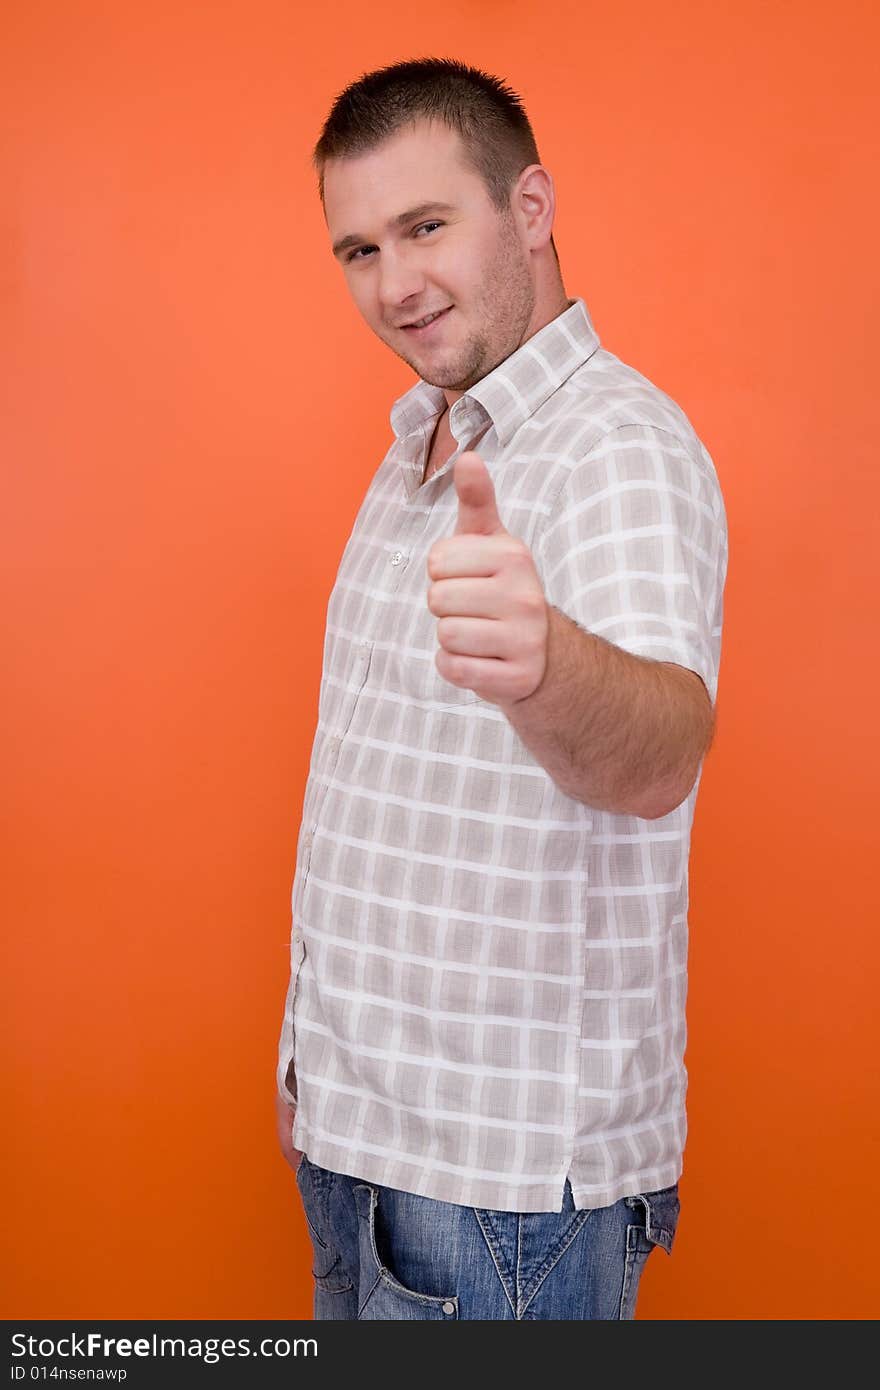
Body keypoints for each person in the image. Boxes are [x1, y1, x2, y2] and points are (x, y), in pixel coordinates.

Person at [274, 56, 727, 1320]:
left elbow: (658, 757)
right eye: (358, 249)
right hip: (363, 1138)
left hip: (502, 1191)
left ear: (528, 207)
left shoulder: (616, 448)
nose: (394, 284)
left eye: (427, 226)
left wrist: (549, 669)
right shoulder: (422, 446)